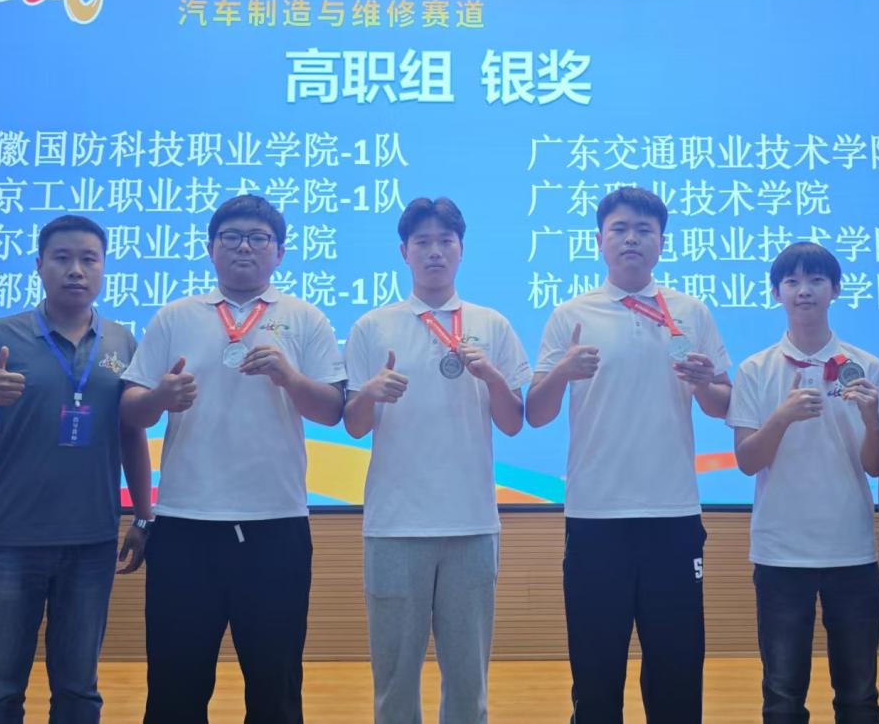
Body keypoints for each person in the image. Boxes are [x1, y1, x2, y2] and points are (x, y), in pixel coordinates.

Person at [119, 195, 346, 724]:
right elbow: (130, 410)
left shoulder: (305, 318)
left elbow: (333, 410)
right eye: (232, 237)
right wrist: (160, 398)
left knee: (275, 688)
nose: (245, 246)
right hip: (185, 524)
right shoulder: (175, 316)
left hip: (275, 525)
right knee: (175, 689)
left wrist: (289, 376)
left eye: (259, 238)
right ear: (210, 248)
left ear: (279, 252)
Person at [525, 186, 731, 723]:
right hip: (596, 517)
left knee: (677, 676)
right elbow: (536, 413)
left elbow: (722, 405)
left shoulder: (691, 312)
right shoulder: (572, 314)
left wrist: (706, 383)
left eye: (644, 229)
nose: (631, 239)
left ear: (662, 241)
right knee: (596, 678)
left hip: (673, 515)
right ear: (600, 241)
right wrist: (563, 372)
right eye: (619, 229)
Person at [0, 214, 152, 723]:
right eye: (62, 258)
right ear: (39, 266)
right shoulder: (1, 336)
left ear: (103, 268)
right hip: (9, 539)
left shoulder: (121, 341)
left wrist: (144, 517)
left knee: (79, 691)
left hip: (91, 541)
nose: (75, 269)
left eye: (88, 259)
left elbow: (132, 433)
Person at [344, 197, 531, 723]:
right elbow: (353, 425)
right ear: (403, 252)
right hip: (394, 527)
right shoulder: (373, 326)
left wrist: (491, 376)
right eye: (422, 242)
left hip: (471, 525)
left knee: (469, 684)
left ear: (461, 250)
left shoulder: (492, 325)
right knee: (394, 683)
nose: (434, 252)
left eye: (445, 241)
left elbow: (513, 422)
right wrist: (370, 393)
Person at [730, 242, 879, 723]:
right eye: (792, 282)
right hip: (780, 552)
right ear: (776, 293)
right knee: (782, 696)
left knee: (859, 695)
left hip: (851, 550)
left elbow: (877, 466)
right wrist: (781, 418)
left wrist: (871, 419)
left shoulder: (868, 368)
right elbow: (746, 462)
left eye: (816, 280)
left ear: (836, 290)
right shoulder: (755, 370)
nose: (804, 291)